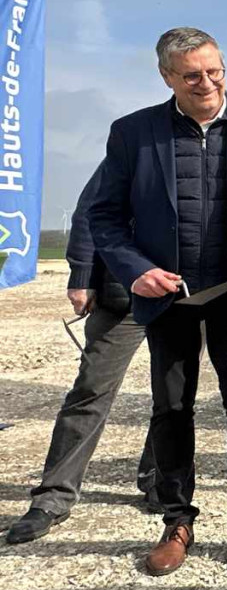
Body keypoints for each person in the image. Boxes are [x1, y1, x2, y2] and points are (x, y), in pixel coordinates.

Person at [88, 27, 227, 577]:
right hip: (171, 299)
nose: (207, 83)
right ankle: (177, 520)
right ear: (167, 77)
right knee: (171, 408)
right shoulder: (132, 133)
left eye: (216, 71)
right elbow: (105, 217)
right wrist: (136, 272)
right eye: (192, 75)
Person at [5, 164, 159, 545]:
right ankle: (53, 497)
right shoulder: (135, 143)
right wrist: (82, 275)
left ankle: (158, 478)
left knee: (174, 394)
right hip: (122, 296)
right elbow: (92, 209)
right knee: (90, 392)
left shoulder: (217, 148)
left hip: (184, 297)